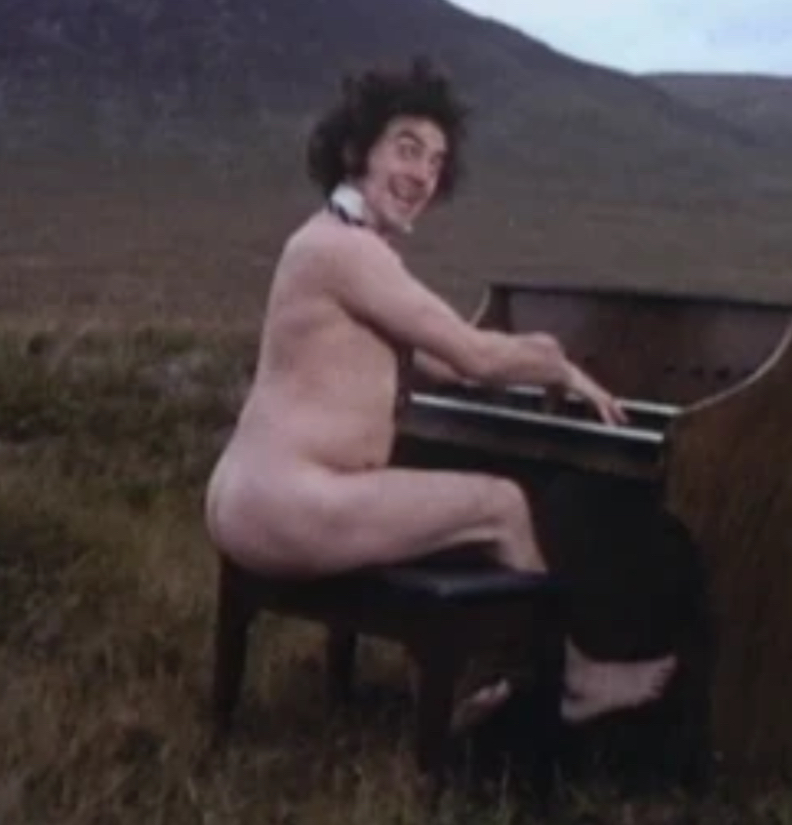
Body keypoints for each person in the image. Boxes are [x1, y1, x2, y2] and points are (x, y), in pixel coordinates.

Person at [205, 57, 675, 728]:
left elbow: (442, 363)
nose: (422, 174)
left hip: (253, 496)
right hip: (287, 505)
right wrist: (556, 364)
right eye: (406, 149)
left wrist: (514, 365)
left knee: (464, 513)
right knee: (501, 505)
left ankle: (483, 676)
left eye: (435, 161)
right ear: (355, 150)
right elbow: (473, 355)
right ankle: (570, 683)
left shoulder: (328, 242)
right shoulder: (348, 252)